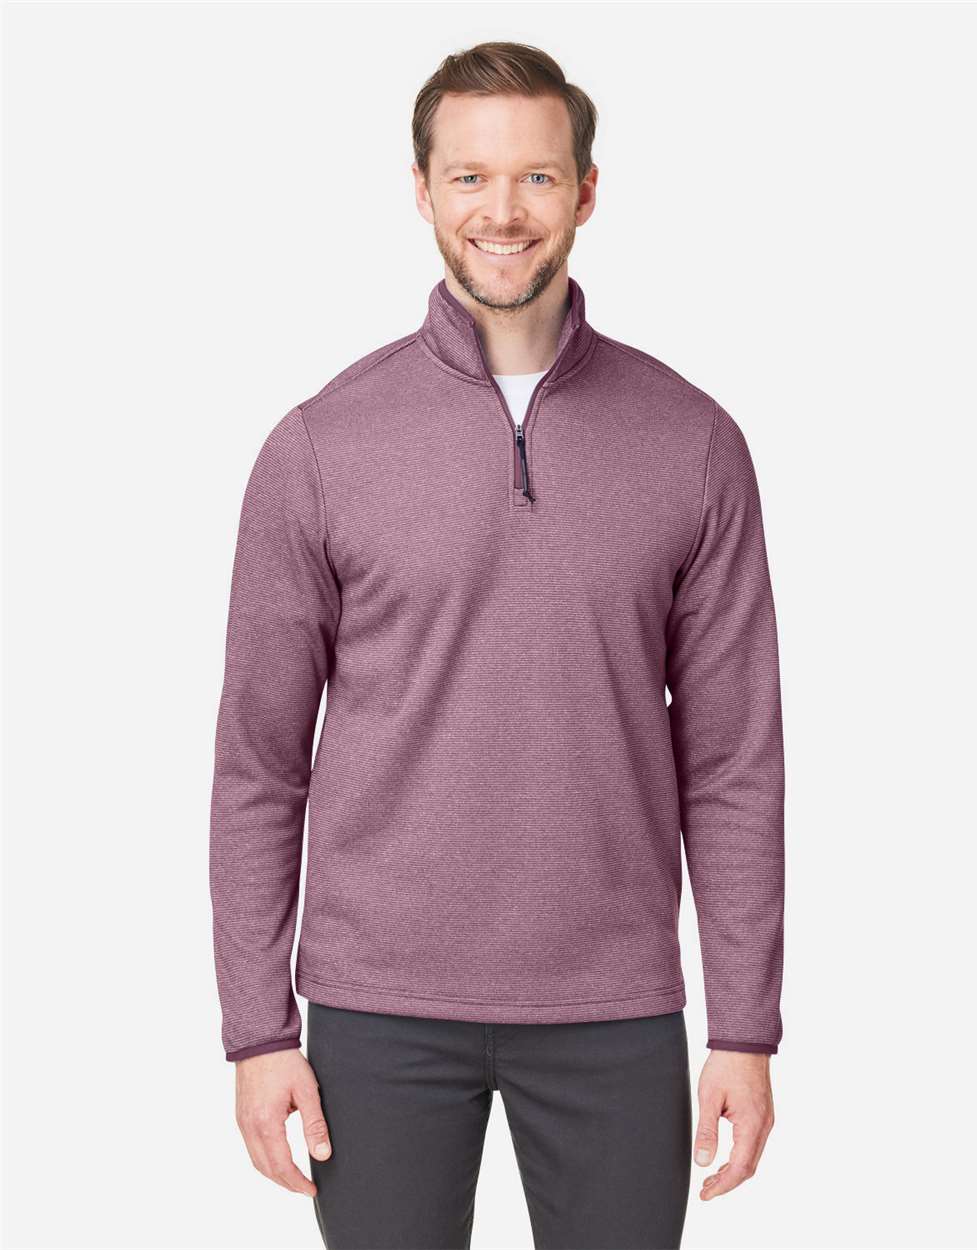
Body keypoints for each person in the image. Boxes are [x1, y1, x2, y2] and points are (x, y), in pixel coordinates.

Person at [209, 40, 784, 1250]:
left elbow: (733, 759)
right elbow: (259, 762)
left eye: (535, 175)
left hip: (614, 1003)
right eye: (469, 176)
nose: (502, 210)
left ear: (586, 191)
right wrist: (258, 1029)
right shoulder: (319, 447)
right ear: (422, 191)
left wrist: (744, 1025)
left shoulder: (691, 444)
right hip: (376, 1010)